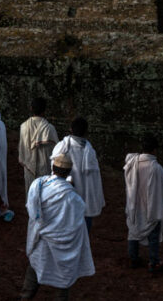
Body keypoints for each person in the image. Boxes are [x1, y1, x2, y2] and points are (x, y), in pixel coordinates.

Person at [21, 153, 95, 300]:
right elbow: (77, 226)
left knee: (35, 270)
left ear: (53, 168)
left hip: (41, 242)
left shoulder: (39, 186)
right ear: (68, 172)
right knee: (63, 279)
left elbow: (32, 211)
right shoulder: (74, 199)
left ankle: (25, 297)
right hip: (65, 251)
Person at [124, 134, 163, 273]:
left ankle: (133, 258)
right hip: (151, 207)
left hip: (134, 204)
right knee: (153, 235)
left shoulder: (132, 163)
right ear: (155, 150)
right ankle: (153, 262)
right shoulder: (156, 168)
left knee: (133, 231)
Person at [50, 117, 105, 231]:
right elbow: (95, 181)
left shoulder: (61, 147)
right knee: (83, 232)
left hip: (66, 196)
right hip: (84, 198)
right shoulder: (90, 152)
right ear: (86, 132)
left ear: (70, 129)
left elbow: (53, 171)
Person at [19, 97, 59, 192]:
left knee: (31, 196)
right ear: (45, 110)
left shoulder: (23, 127)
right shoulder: (50, 129)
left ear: (31, 108)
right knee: (45, 197)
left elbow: (22, 150)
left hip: (29, 169)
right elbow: (57, 152)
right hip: (45, 170)